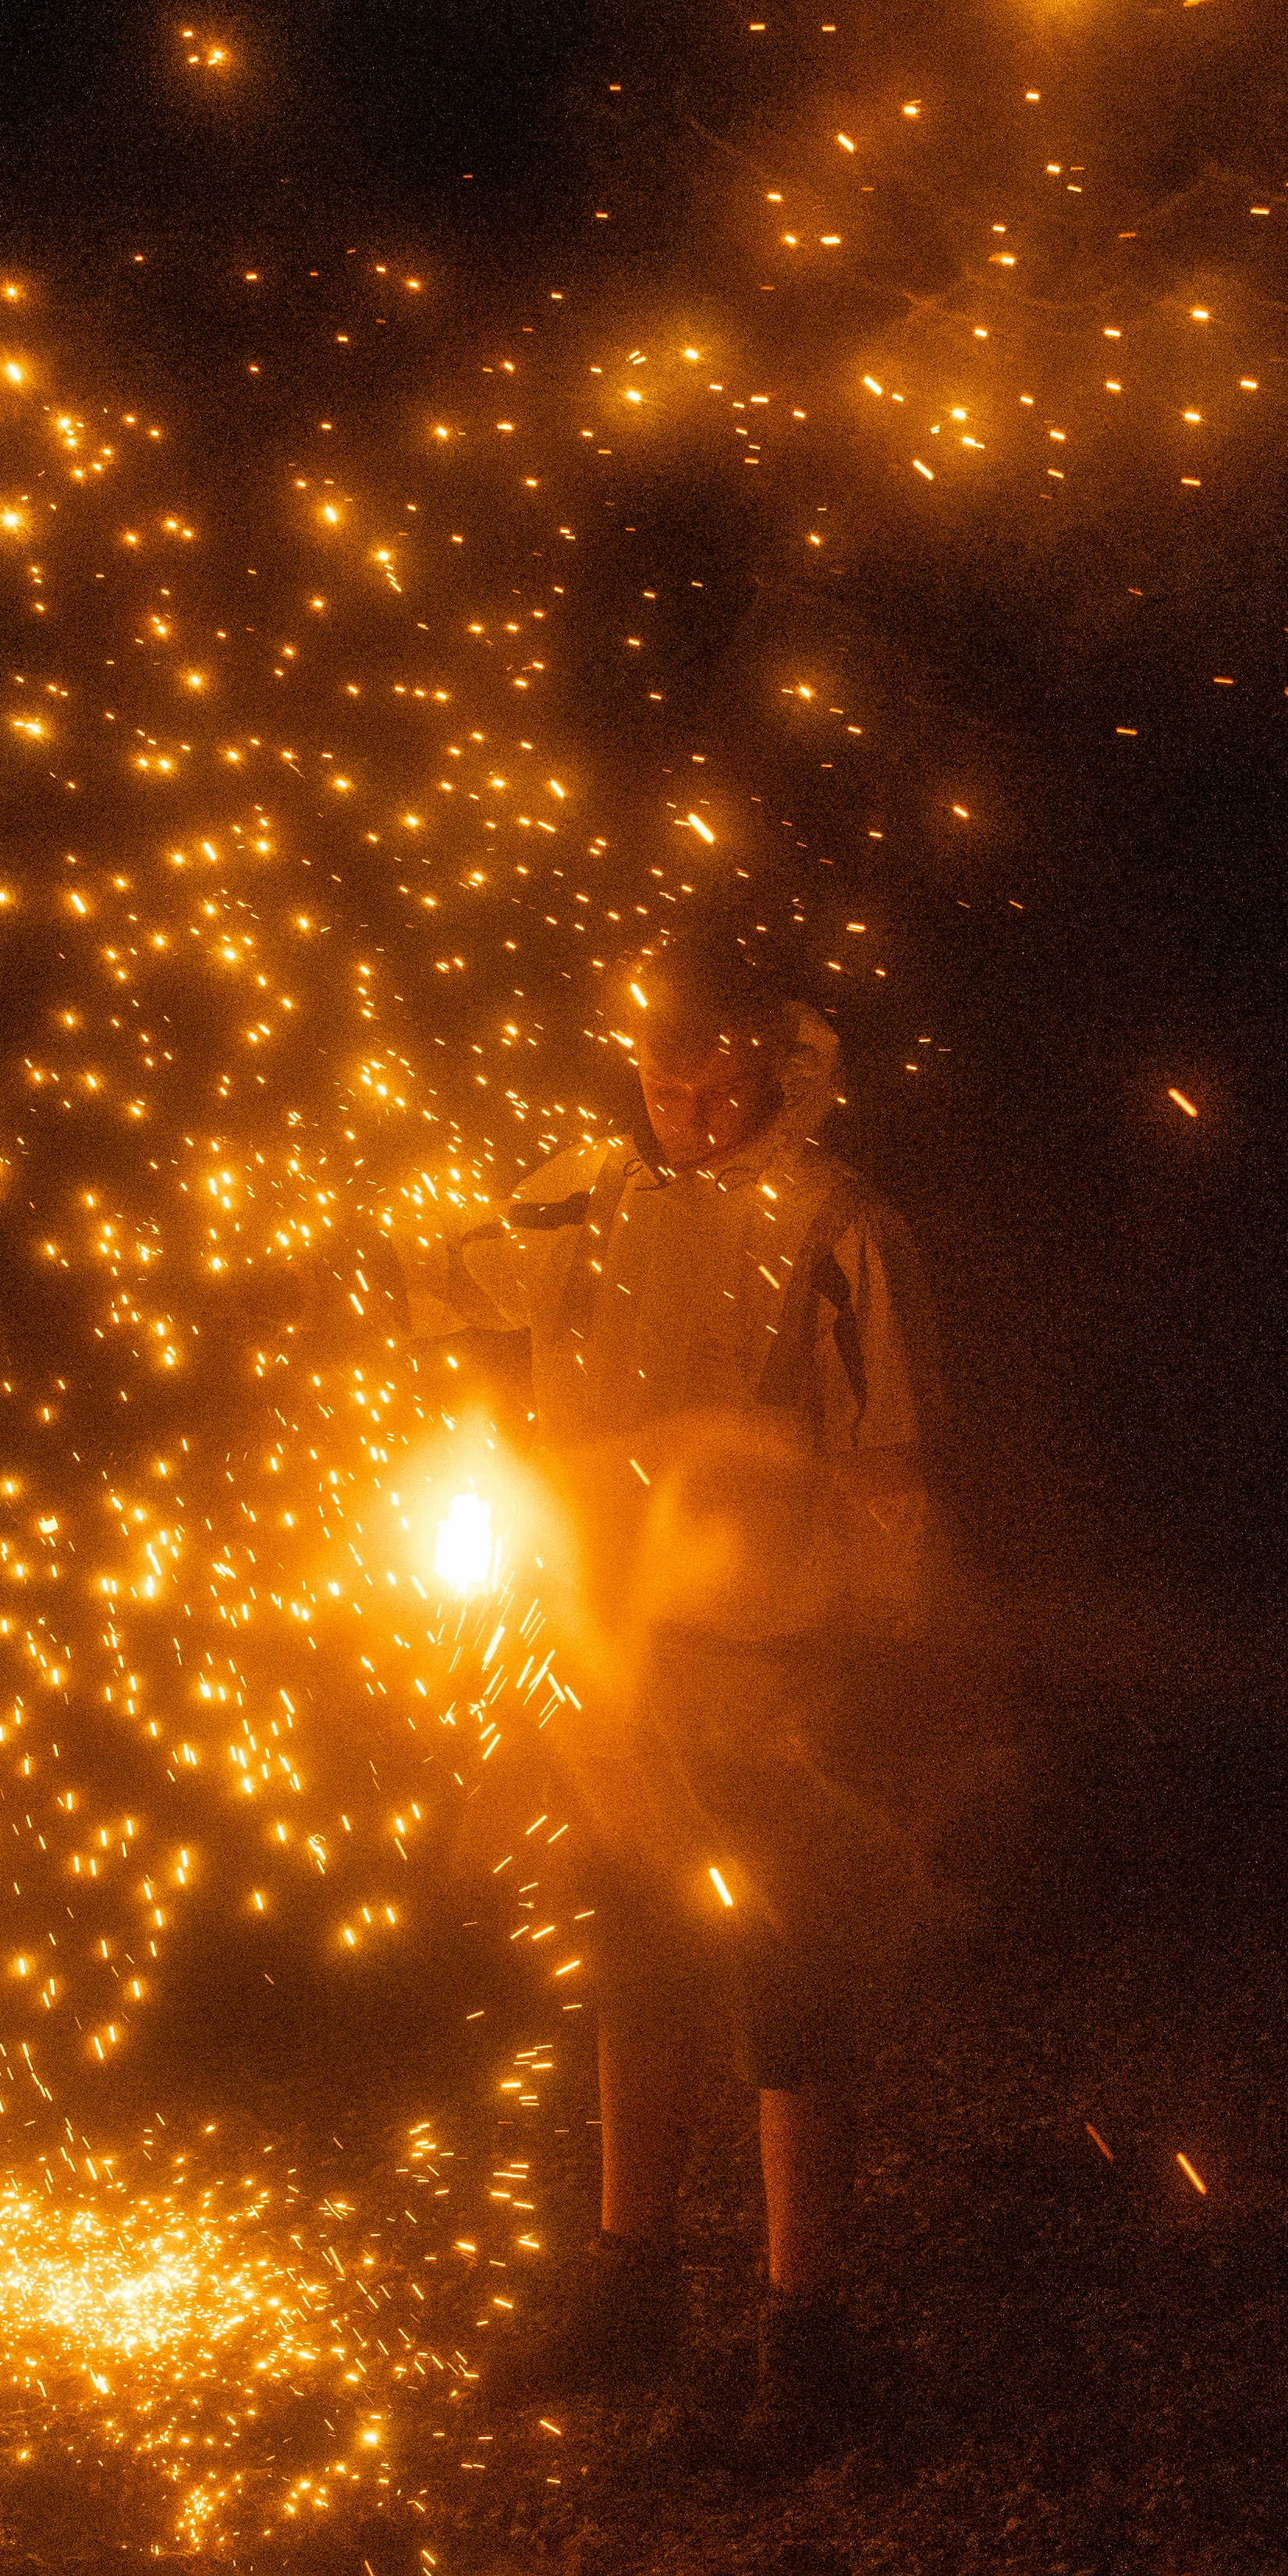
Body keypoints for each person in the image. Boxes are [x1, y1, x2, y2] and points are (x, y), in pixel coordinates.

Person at [405, 928, 935, 2461]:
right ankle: (629, 2288)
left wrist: (867, 1659)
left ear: (781, 1049)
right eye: (657, 1055)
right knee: (633, 1954)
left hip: (772, 1674)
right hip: (604, 1660)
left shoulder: (842, 1227)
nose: (681, 1086)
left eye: (713, 1058)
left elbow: (891, 1474)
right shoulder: (582, 1195)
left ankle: (805, 2337)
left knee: (790, 1988)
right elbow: (435, 1283)